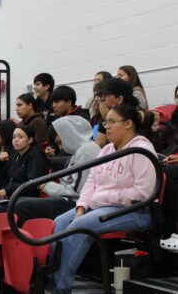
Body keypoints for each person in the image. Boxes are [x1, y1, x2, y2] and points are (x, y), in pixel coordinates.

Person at [48, 104, 157, 294]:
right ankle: (49, 279)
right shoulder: (107, 149)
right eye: (106, 122)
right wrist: (81, 207)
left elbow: (143, 193)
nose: (106, 126)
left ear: (129, 124)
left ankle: (59, 288)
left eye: (112, 122)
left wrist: (102, 198)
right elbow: (92, 181)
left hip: (135, 211)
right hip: (100, 206)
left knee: (80, 226)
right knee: (60, 222)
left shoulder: (142, 150)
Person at [15, 116, 100, 225]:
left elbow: (78, 191)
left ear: (70, 134)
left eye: (60, 139)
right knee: (19, 201)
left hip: (76, 203)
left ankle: (33, 240)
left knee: (21, 206)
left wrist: (46, 185)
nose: (60, 145)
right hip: (70, 200)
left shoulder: (86, 150)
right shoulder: (80, 150)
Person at [0, 126, 49, 216]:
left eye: (20, 137)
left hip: (25, 199)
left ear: (30, 140)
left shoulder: (35, 154)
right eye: (14, 137)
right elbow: (1, 180)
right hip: (11, 197)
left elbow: (31, 184)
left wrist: (7, 191)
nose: (15, 140)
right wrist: (0, 163)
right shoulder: (14, 155)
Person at [94, 78, 140, 147]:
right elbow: (96, 142)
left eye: (104, 97)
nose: (101, 101)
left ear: (119, 99)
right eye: (100, 96)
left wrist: (108, 119)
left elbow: (126, 143)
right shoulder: (103, 116)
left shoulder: (138, 116)